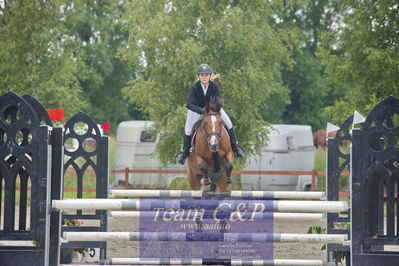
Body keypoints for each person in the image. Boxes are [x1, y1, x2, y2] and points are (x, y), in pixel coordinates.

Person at [175, 63, 244, 165]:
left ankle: (235, 147)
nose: (204, 77)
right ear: (199, 76)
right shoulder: (194, 87)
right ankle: (183, 153)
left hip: (213, 109)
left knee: (228, 123)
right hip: (196, 110)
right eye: (202, 75)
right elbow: (189, 104)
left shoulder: (214, 86)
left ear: (210, 76)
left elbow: (217, 100)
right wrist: (202, 111)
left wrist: (212, 109)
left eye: (206, 75)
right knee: (188, 129)